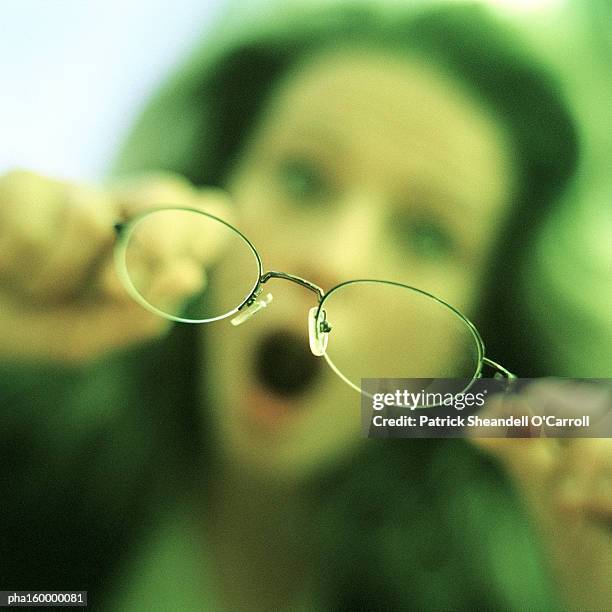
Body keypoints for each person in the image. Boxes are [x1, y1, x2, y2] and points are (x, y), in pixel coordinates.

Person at [1, 2, 610, 610]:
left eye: (427, 234)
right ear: (217, 182)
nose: (333, 259)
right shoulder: (24, 464)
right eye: (302, 179)